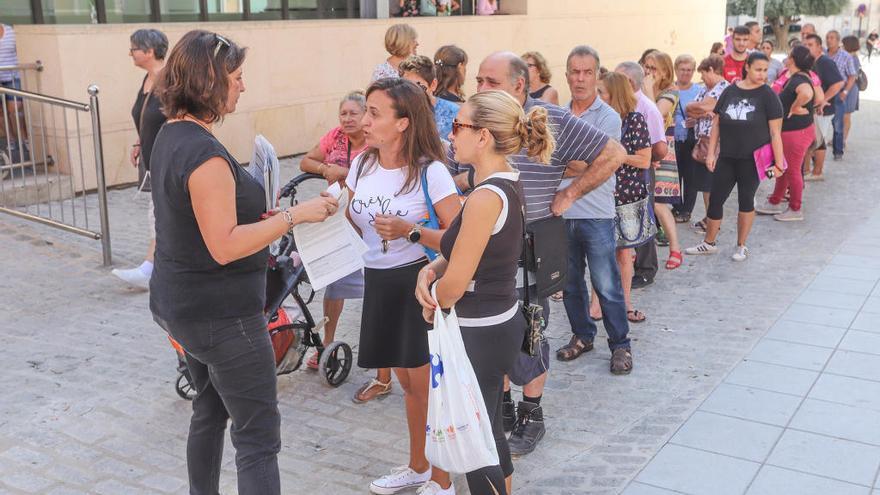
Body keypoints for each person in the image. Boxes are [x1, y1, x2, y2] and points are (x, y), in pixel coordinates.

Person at [149, 30, 339, 495]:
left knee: (210, 410)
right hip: (222, 316)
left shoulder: (171, 134)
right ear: (210, 81)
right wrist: (294, 215)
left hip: (183, 305)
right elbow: (225, 245)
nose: (243, 86)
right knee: (257, 437)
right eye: (236, 77)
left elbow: (196, 223)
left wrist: (267, 221)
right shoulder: (203, 153)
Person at [442, 52, 626, 457]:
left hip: (533, 248)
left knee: (532, 334)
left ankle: (532, 414)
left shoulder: (551, 117)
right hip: (494, 249)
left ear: (520, 85)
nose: (481, 88)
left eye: (490, 81)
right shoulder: (486, 128)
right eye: (479, 80)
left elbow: (613, 153)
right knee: (500, 329)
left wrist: (568, 195)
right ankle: (503, 407)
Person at [414, 89, 555, 495]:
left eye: (458, 125)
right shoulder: (505, 181)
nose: (450, 133)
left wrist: (432, 296)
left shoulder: (484, 196)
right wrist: (431, 271)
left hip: (480, 330)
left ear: (484, 136)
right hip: (493, 324)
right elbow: (467, 252)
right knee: (488, 434)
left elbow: (457, 283)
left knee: (478, 447)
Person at [349, 78, 461, 495]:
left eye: (374, 113)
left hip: (417, 284)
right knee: (409, 385)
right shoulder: (362, 164)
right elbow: (352, 214)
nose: (364, 120)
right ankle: (418, 467)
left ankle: (442, 480)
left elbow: (458, 235)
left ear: (402, 123)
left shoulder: (431, 171)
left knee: (428, 387)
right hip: (377, 280)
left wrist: (410, 230)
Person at [554, 45, 632, 361]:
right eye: (575, 71)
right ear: (567, 75)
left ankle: (620, 345)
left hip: (596, 214)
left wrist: (567, 161)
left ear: (597, 74)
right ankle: (583, 336)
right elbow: (553, 160)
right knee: (570, 285)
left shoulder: (608, 117)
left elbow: (601, 164)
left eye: (587, 72)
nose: (581, 79)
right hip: (560, 213)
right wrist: (581, 161)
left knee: (607, 286)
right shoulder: (556, 115)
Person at [684, 52, 784, 262]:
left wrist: (779, 163)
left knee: (745, 201)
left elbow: (775, 133)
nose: (762, 74)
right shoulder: (730, 91)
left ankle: (741, 245)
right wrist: (711, 153)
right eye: (758, 69)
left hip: (751, 159)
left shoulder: (768, 95)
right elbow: (717, 124)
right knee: (715, 200)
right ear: (747, 67)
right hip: (727, 157)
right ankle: (709, 243)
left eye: (765, 70)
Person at [298, 90, 368, 369]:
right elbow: (306, 161)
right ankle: (327, 342)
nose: (348, 119)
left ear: (366, 115)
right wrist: (328, 168)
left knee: (373, 284)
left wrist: (346, 173)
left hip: (366, 219)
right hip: (337, 217)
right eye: (344, 113)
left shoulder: (374, 141)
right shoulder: (335, 136)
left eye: (354, 113)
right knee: (335, 281)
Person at [111, 29, 169, 290]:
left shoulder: (168, 81)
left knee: (158, 213)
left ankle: (150, 268)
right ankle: (156, 267)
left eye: (134, 48)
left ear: (149, 51)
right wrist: (139, 141)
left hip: (166, 158)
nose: (130, 53)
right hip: (151, 157)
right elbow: (146, 117)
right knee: (160, 213)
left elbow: (174, 117)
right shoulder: (147, 79)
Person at [598, 71, 654, 327]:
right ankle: (595, 303)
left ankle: (626, 302)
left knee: (624, 254)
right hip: (601, 193)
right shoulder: (598, 119)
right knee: (598, 252)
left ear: (615, 94)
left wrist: (617, 157)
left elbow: (645, 160)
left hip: (627, 196)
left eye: (602, 92)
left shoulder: (635, 120)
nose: (597, 96)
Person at [615, 62, 666, 289]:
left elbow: (660, 144)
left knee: (643, 218)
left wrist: (649, 156)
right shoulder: (620, 104)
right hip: (622, 174)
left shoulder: (646, 108)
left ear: (630, 82)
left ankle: (646, 269)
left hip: (640, 172)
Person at [756, 45, 816, 222]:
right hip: (793, 131)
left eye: (789, 55)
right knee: (783, 165)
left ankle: (795, 208)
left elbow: (807, 93)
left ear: (793, 60)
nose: (786, 58)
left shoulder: (799, 80)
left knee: (793, 170)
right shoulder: (797, 76)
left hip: (796, 133)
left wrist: (795, 107)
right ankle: (775, 201)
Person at [643, 51, 682, 270]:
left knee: (659, 203)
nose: (649, 72)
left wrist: (648, 90)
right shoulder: (644, 89)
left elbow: (655, 116)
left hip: (663, 150)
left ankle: (675, 248)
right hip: (645, 149)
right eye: (646, 66)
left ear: (665, 71)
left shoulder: (670, 92)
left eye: (654, 68)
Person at [686, 54, 729, 233]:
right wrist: (701, 110)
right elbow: (690, 108)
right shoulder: (706, 90)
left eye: (703, 74)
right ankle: (709, 216)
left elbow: (702, 107)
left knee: (711, 185)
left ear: (711, 70)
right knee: (705, 184)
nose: (702, 78)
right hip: (703, 141)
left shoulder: (723, 89)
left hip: (715, 143)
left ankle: (713, 220)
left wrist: (701, 109)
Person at [803, 34, 843, 181]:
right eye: (805, 45)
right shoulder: (813, 62)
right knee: (812, 141)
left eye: (810, 45)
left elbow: (838, 83)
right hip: (813, 109)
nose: (807, 48)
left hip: (823, 110)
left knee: (819, 141)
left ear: (819, 47)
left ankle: (817, 172)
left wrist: (823, 100)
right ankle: (808, 170)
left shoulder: (825, 62)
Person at [670, 54, 705, 224]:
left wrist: (697, 120)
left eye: (689, 70)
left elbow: (706, 112)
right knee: (674, 174)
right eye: (682, 70)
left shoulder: (699, 91)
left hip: (691, 139)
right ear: (676, 70)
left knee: (690, 176)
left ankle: (686, 210)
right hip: (672, 138)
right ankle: (676, 207)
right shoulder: (669, 89)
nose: (686, 73)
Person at [398, 55, 461, 139]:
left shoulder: (453, 113)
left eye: (418, 86)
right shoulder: (399, 111)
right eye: (406, 87)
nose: (411, 92)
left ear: (433, 85)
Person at [826, 30, 856, 161]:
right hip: (824, 93)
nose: (829, 40)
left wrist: (845, 92)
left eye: (832, 38)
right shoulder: (823, 55)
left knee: (838, 123)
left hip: (838, 93)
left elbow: (852, 76)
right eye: (827, 37)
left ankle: (838, 151)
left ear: (838, 40)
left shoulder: (846, 56)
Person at [0, 23, 27, 159]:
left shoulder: (10, 31)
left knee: (15, 108)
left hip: (12, 75)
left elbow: (21, 49)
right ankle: (11, 138)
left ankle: (24, 137)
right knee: (1, 112)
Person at [842, 35, 861, 145]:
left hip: (850, 89)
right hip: (847, 88)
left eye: (843, 44)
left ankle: (843, 139)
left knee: (846, 115)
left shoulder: (852, 59)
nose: (842, 46)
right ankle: (840, 137)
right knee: (842, 115)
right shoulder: (850, 57)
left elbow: (852, 77)